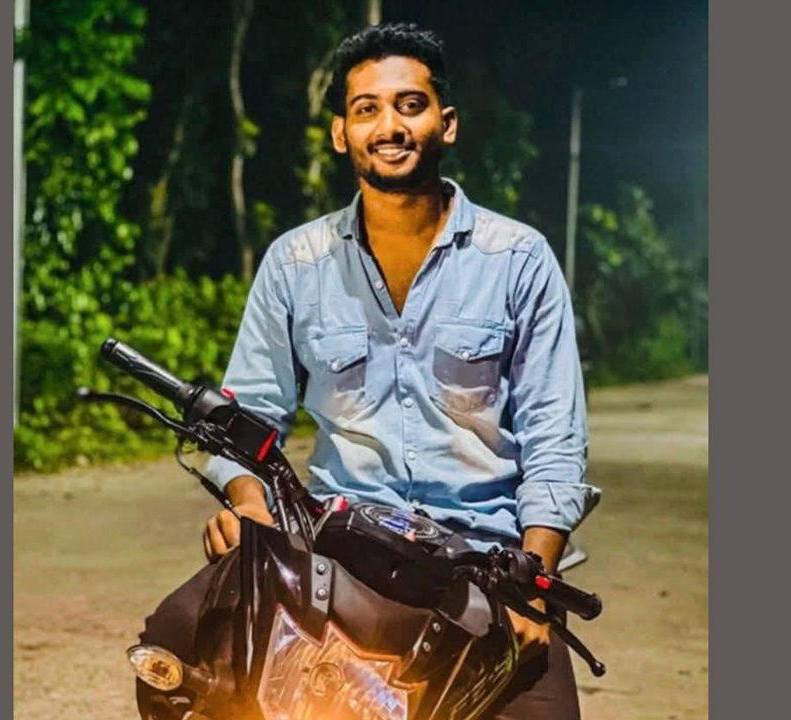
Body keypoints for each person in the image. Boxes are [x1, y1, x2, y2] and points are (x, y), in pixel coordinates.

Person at [138, 23, 599, 720]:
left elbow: (555, 440)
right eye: (367, 109)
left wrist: (533, 580)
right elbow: (247, 416)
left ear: (446, 124)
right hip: (335, 549)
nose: (390, 126)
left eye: (410, 105)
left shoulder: (518, 259)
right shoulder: (296, 263)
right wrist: (248, 505)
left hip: (484, 560)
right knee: (174, 652)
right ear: (341, 133)